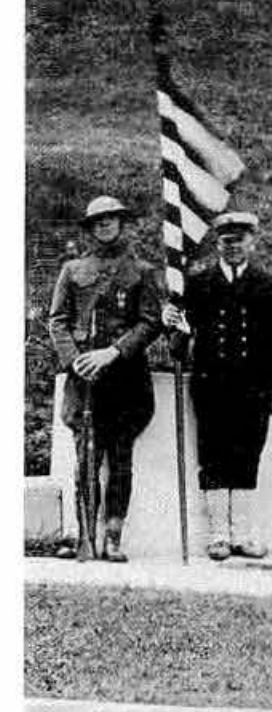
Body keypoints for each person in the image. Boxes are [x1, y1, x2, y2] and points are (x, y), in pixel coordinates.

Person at [169, 210, 272, 561]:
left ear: (251, 242)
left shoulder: (266, 283)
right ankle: (219, 536)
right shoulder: (199, 283)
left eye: (240, 241)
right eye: (226, 241)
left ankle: (243, 535)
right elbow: (179, 341)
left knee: (248, 457)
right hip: (212, 386)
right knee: (213, 458)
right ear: (217, 244)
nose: (233, 247)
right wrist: (172, 323)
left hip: (254, 387)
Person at [48, 195, 162, 562]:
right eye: (98, 220)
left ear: (121, 223)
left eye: (111, 218)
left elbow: (150, 322)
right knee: (86, 460)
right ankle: (84, 534)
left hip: (126, 381)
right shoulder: (73, 270)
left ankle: (113, 536)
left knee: (121, 460)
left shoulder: (142, 271)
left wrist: (113, 352)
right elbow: (57, 321)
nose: (105, 224)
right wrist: (76, 360)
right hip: (85, 383)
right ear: (90, 228)